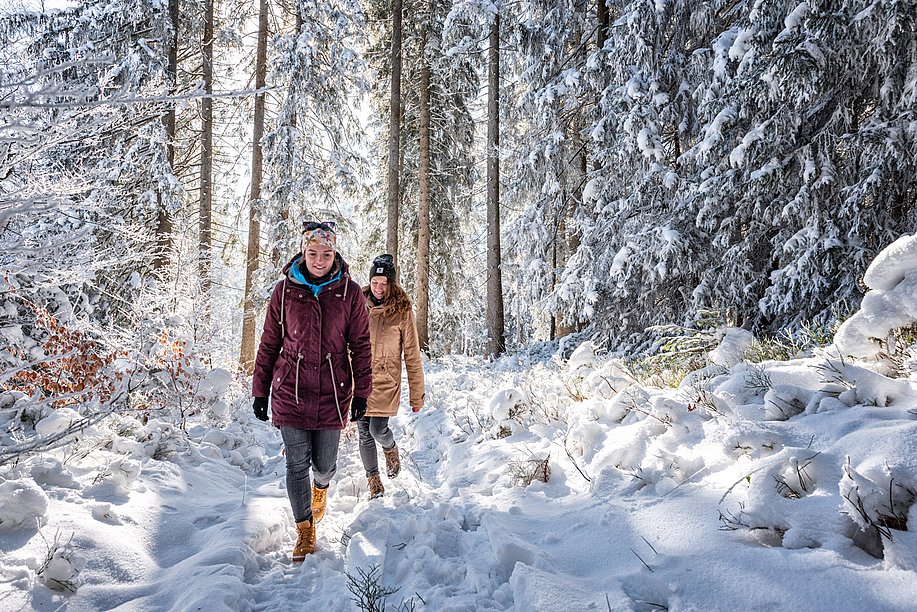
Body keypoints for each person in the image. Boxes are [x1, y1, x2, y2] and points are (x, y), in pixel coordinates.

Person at [251, 221, 372, 562]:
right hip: (290, 388)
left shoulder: (349, 293)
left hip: (333, 391)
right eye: (314, 252)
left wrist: (362, 392)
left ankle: (321, 488)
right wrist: (261, 390)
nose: (320, 260)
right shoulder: (285, 291)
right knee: (296, 464)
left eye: (327, 253)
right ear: (303, 252)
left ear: (336, 254)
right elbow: (270, 342)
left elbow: (361, 345)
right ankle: (305, 530)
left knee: (325, 465)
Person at [359, 254, 425, 498]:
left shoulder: (402, 311)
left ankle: (390, 447)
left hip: (386, 381)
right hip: (360, 379)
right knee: (364, 432)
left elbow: (411, 355)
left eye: (384, 283)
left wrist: (417, 396)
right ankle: (373, 480)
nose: (378, 287)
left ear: (391, 284)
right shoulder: (358, 304)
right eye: (375, 282)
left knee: (378, 430)